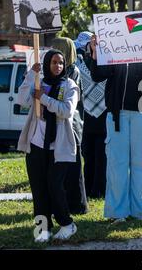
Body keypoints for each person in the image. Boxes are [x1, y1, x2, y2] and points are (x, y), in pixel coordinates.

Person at [89, 34, 142, 222]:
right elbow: (98, 75)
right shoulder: (115, 50)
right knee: (117, 164)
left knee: (141, 163)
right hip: (117, 114)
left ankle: (140, 211)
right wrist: (95, 51)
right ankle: (118, 212)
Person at [17, 49, 79, 243]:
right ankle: (43, 229)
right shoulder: (39, 82)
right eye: (53, 62)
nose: (58, 66)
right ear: (46, 64)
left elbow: (66, 111)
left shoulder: (69, 85)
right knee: (39, 188)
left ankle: (67, 224)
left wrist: (43, 98)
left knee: (54, 185)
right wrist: (31, 76)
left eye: (61, 62)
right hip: (36, 144)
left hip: (59, 146)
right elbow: (22, 100)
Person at [52, 37, 88, 214]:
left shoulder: (72, 71)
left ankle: (77, 204)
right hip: (64, 122)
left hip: (71, 123)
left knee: (73, 166)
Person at [74, 31, 107, 198]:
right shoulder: (77, 64)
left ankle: (99, 189)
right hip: (86, 115)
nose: (81, 50)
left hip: (102, 115)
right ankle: (88, 187)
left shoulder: (102, 62)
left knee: (101, 156)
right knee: (88, 155)